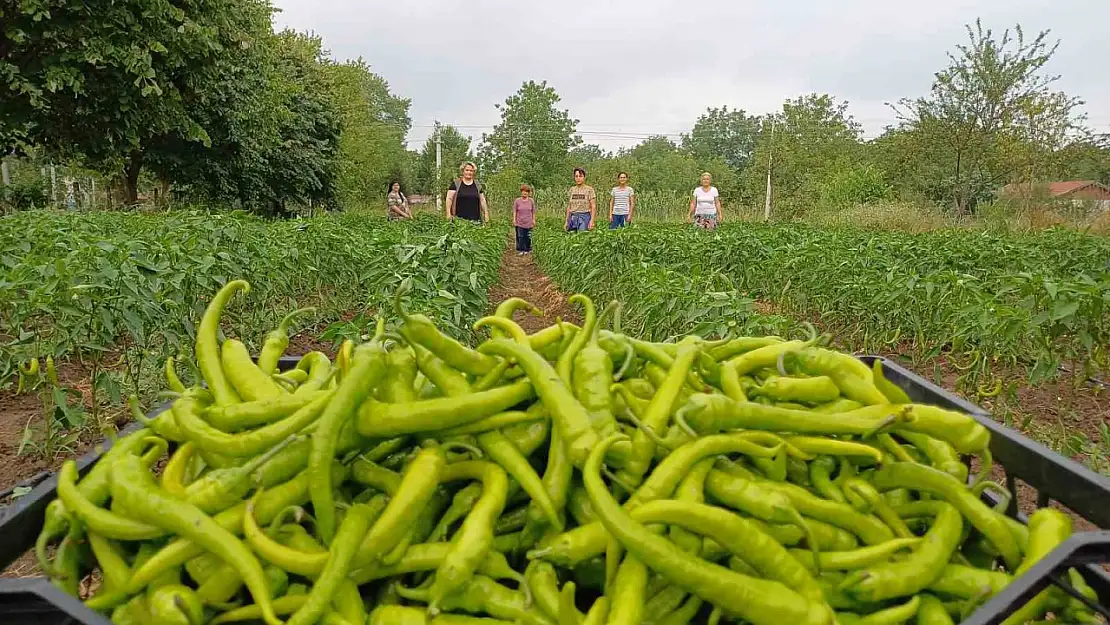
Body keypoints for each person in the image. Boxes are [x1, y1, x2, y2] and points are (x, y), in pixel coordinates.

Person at [564, 167, 596, 232]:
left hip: (584, 216)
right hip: (573, 217)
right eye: (576, 176)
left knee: (582, 237)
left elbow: (593, 206)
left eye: (580, 176)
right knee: (571, 238)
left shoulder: (589, 189)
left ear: (584, 177)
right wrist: (566, 221)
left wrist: (592, 221)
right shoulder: (572, 189)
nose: (578, 178)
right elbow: (569, 206)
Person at [513, 184, 537, 255]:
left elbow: (533, 211)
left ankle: (527, 249)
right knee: (520, 236)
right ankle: (521, 250)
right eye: (523, 191)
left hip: (528, 222)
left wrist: (534, 220)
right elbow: (515, 211)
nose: (525, 193)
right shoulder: (517, 201)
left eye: (526, 192)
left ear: (528, 193)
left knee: (528, 236)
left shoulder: (531, 201)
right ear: (521, 192)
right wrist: (514, 219)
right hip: (519, 221)